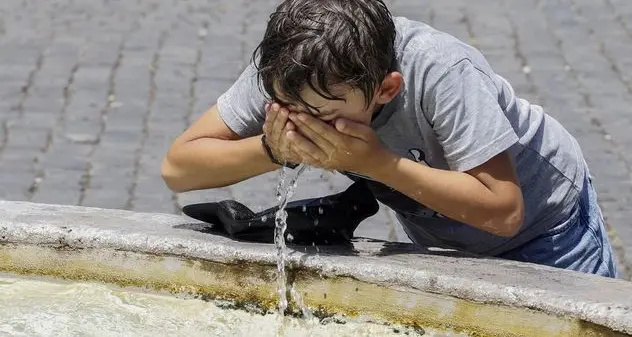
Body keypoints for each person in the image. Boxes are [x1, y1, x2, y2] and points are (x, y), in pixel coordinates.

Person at [161, 0, 619, 278]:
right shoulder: (294, 70)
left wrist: (380, 163)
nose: (303, 122)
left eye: (323, 114)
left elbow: (504, 211)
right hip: (441, 234)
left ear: (386, 89)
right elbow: (178, 170)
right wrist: (269, 148)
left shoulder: (442, 72)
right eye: (288, 107)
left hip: (550, 229)